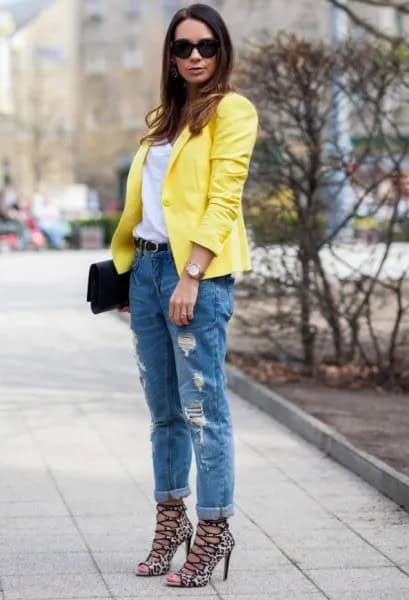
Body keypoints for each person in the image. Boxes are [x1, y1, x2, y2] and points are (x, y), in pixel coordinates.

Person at [110, 3, 258, 589]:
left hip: (194, 275)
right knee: (163, 414)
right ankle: (170, 525)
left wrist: (193, 273)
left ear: (221, 51)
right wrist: (130, 277)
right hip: (146, 274)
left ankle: (215, 527)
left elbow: (225, 197)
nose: (194, 56)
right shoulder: (163, 120)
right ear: (169, 58)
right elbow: (146, 207)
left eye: (205, 46)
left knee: (203, 412)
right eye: (182, 48)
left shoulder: (233, 111)